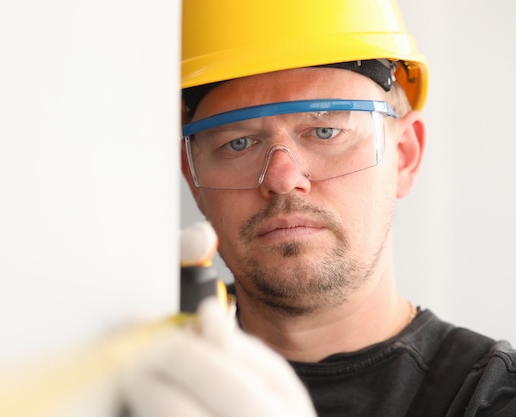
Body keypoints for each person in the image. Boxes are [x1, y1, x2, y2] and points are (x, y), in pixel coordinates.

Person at [122, 0, 516, 416]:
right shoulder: (125, 379)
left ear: (404, 155)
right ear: (193, 178)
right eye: (238, 142)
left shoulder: (493, 400)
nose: (282, 177)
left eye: (326, 131)